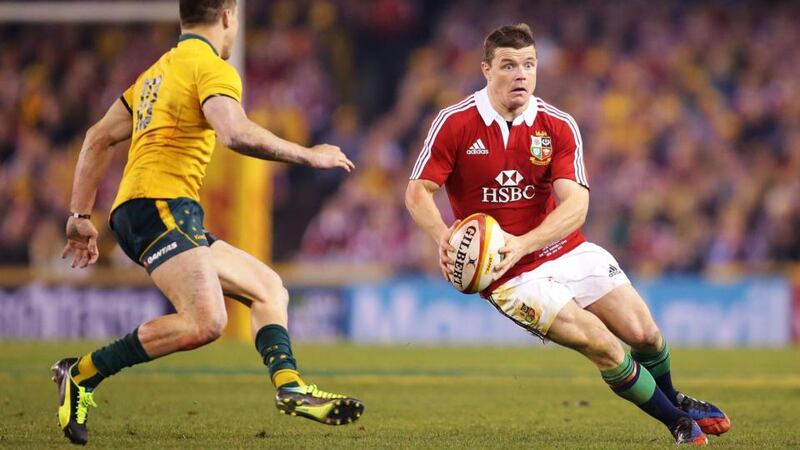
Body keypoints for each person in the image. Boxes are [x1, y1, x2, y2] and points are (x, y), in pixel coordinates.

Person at [55, 0, 363, 445]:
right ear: (227, 16)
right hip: (161, 204)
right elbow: (234, 132)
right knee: (206, 321)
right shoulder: (212, 67)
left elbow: (97, 137)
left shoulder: (156, 74)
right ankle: (81, 373)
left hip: (152, 208)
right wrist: (309, 154)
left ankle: (291, 387)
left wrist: (79, 216)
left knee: (269, 289)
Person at [405, 23, 729, 446]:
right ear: (486, 70)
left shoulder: (557, 124)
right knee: (602, 345)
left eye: (529, 64)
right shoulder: (454, 122)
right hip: (508, 276)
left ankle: (672, 398)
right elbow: (418, 192)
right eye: (508, 65)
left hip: (565, 249)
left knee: (644, 333)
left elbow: (576, 205)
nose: (521, 74)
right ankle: (679, 423)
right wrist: (443, 237)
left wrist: (523, 243)